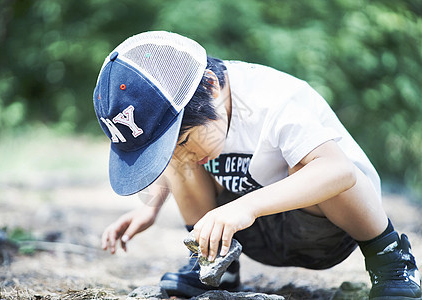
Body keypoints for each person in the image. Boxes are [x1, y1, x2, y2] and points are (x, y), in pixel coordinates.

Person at [94, 31, 421, 299]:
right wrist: (151, 207)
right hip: (250, 235)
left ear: (210, 85)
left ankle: (392, 261)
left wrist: (246, 207)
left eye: (182, 139)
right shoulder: (200, 127)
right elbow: (177, 156)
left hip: (326, 230)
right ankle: (213, 261)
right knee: (184, 161)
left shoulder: (275, 100)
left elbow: (339, 172)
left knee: (318, 165)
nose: (181, 155)